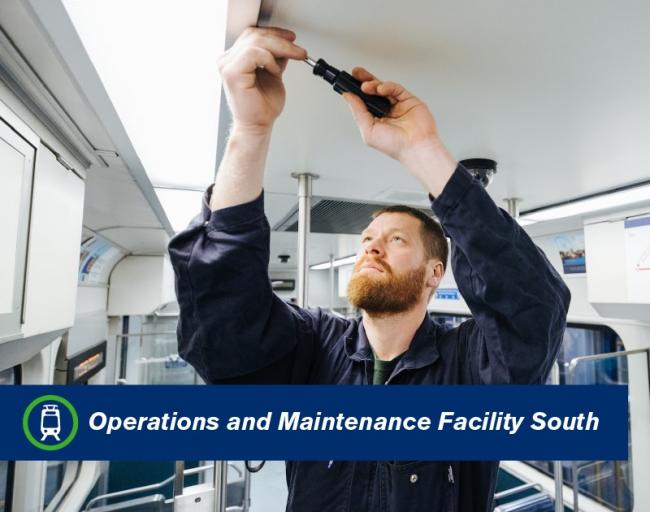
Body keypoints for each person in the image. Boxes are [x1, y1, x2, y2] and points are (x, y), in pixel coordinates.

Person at [168, 27, 570, 511]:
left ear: (433, 273)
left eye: (395, 240)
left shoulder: (468, 366)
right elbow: (222, 324)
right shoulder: (313, 349)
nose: (371, 249)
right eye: (366, 241)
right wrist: (250, 132)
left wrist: (422, 152)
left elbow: (533, 308)